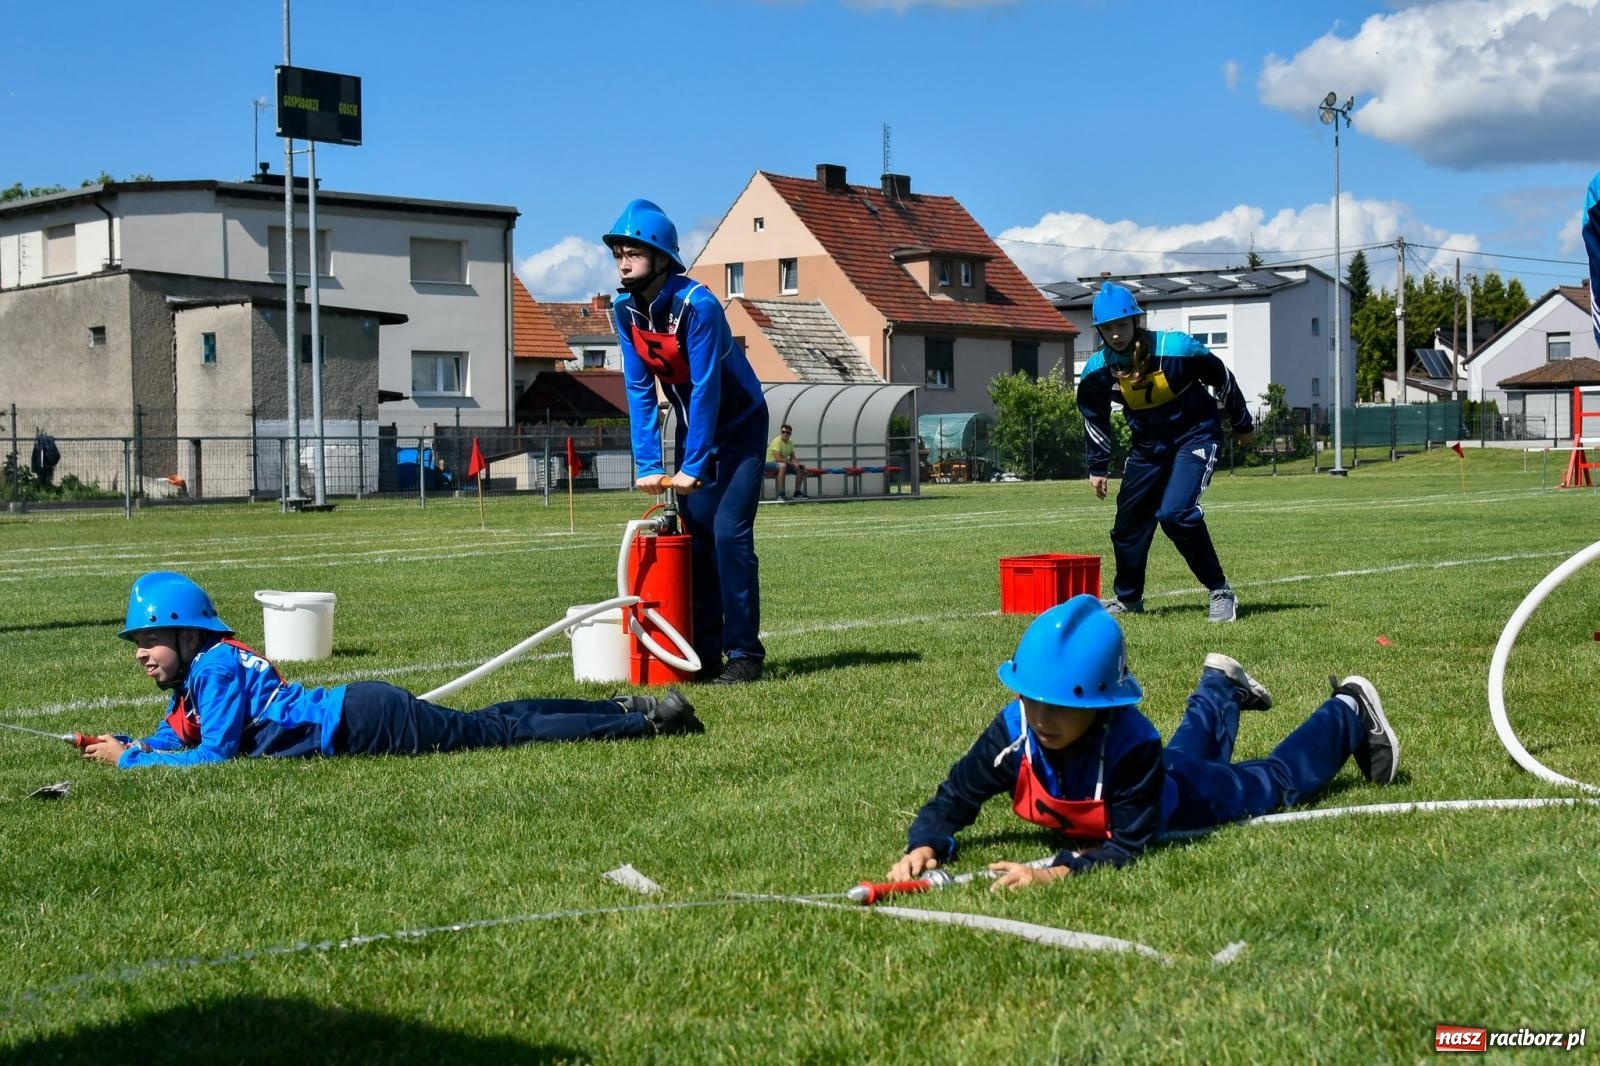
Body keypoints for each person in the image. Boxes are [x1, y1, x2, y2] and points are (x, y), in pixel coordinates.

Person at [887, 595, 1399, 890]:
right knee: (1177, 757)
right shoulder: (1013, 731)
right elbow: (955, 796)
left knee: (1273, 783)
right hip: (1167, 769)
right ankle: (1219, 685)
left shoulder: (1131, 751)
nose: (1041, 717)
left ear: (1103, 706)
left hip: (1183, 800)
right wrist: (926, 842)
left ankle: (1349, 709)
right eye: (1032, 699)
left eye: (1061, 705)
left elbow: (1128, 844)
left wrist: (1055, 874)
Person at [81, 572, 704, 770]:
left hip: (363, 723)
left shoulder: (212, 671)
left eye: (150, 638)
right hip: (362, 710)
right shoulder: (204, 670)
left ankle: (641, 721)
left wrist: (131, 762)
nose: (140, 652)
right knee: (494, 721)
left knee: (502, 731)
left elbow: (215, 757)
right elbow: (178, 736)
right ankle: (630, 709)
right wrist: (127, 746)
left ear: (189, 633)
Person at [605, 199, 770, 685]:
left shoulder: (698, 305)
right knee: (693, 541)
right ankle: (703, 651)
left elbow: (705, 388)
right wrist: (648, 464)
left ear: (661, 256)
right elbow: (638, 388)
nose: (622, 260)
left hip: (739, 428)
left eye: (632, 251)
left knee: (728, 536)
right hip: (691, 428)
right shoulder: (624, 310)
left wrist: (693, 465)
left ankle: (744, 655)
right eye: (618, 252)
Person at [1077, 282, 1255, 622]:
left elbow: (1223, 378)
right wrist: (1097, 467)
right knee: (1127, 524)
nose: (1116, 334)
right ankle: (1128, 599)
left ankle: (1220, 591)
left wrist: (1242, 424)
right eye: (1108, 328)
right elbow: (1094, 418)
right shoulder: (1097, 371)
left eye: (1122, 325)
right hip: (1148, 448)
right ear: (1099, 330)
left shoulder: (1177, 349)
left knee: (1174, 513)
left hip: (1195, 437)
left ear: (1136, 321)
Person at [767, 424, 807, 501]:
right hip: (769, 463)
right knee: (783, 466)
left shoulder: (790, 443)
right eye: (783, 432)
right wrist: (792, 463)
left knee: (802, 468)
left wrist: (798, 464)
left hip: (781, 463)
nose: (785, 434)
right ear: (781, 432)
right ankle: (781, 494)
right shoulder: (777, 441)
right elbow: (777, 458)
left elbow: (793, 457)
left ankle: (797, 493)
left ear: (790, 434)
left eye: (787, 433)